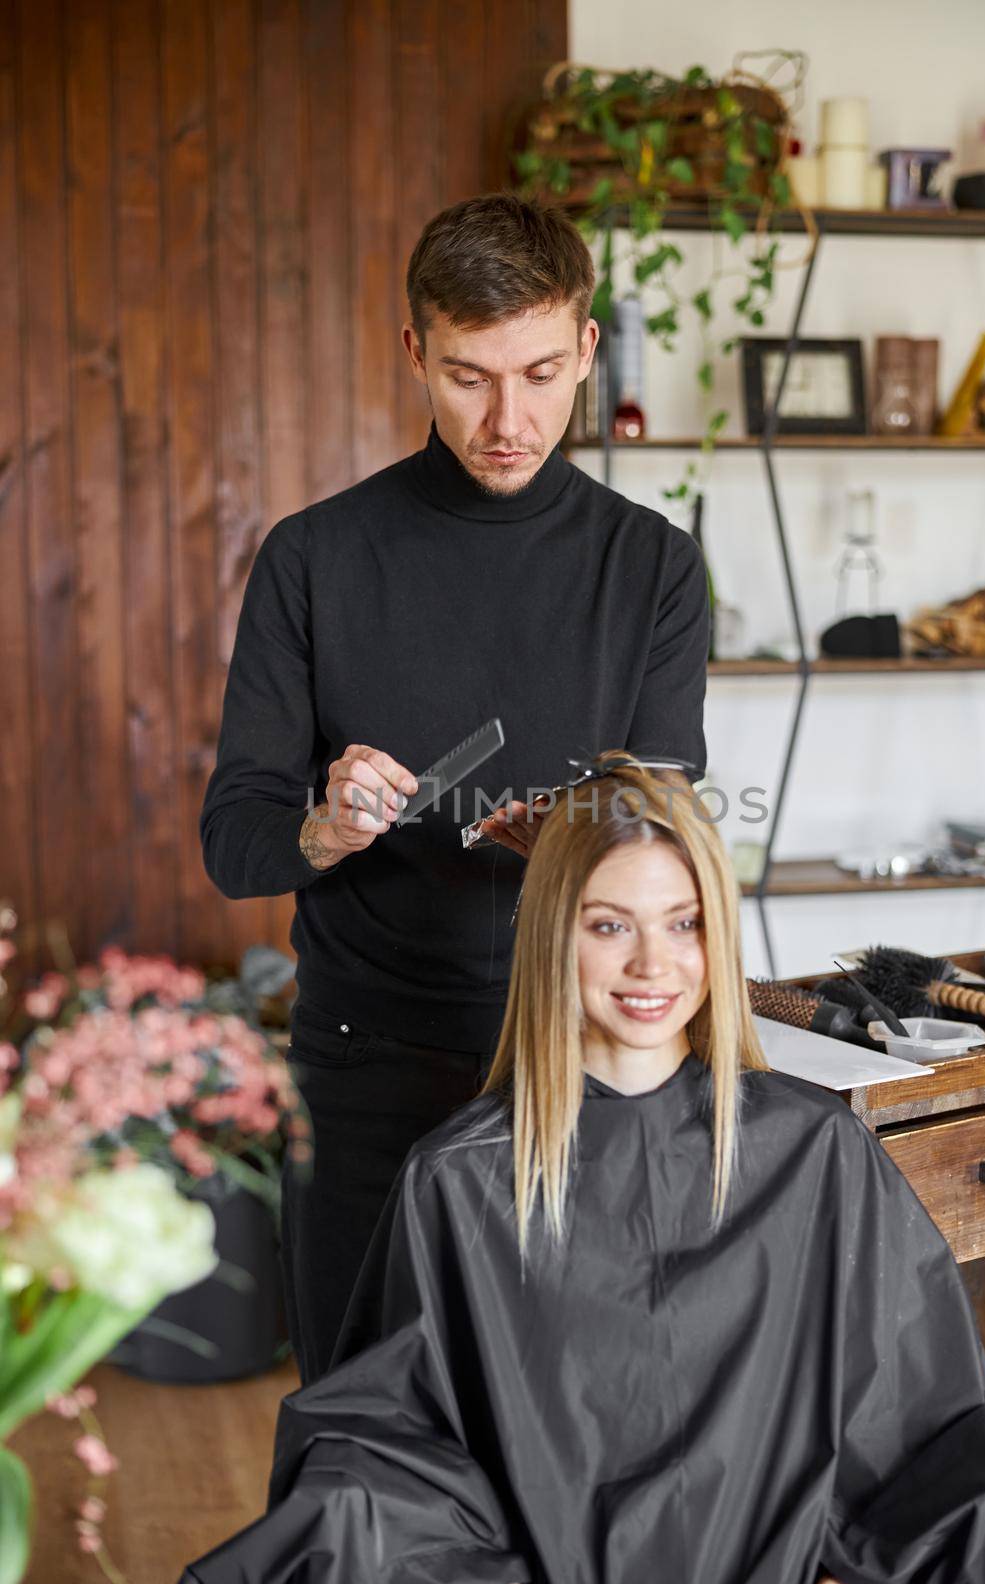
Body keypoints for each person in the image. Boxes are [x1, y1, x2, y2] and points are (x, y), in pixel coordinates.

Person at [174, 754, 985, 1584]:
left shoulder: (816, 1152)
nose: (653, 964)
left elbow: (931, 1434)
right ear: (553, 937)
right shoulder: (462, 1180)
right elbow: (379, 1458)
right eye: (609, 925)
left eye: (685, 923)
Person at [198, 196, 711, 1385]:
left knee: (568, 1418)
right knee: (360, 1422)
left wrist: (585, 841)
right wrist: (321, 831)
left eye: (539, 373)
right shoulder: (314, 558)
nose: (506, 420)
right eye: (469, 376)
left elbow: (664, 836)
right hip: (363, 1059)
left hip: (577, 1060)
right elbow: (236, 845)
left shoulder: (651, 567)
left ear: (587, 349)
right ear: (414, 351)